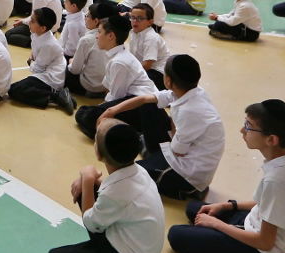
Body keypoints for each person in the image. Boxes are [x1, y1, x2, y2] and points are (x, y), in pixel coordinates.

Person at [167, 99, 285, 253]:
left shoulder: (279, 180)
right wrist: (227, 206)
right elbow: (263, 202)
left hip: (268, 251)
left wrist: (218, 225)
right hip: (261, 223)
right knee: (195, 209)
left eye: (249, 126)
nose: (242, 130)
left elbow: (265, 242)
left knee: (176, 236)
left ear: (271, 139)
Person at [47, 122, 164, 253]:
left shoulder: (115, 193)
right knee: (90, 191)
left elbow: (90, 221)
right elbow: (116, 199)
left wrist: (86, 179)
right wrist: (89, 183)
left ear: (99, 154)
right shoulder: (139, 171)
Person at [93, 53, 223, 201]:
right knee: (148, 105)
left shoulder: (190, 112)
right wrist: (111, 111)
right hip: (182, 149)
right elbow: (144, 98)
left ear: (168, 80)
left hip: (187, 172)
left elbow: (178, 151)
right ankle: (153, 155)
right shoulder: (191, 92)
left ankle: (187, 189)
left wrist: (173, 126)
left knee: (129, 172)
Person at [7, 7, 73, 113]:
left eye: (32, 21)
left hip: (52, 77)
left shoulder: (48, 44)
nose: (29, 22)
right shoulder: (36, 34)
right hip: (44, 72)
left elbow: (37, 69)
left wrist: (31, 61)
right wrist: (32, 59)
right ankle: (57, 96)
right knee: (14, 89)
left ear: (43, 28)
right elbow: (34, 53)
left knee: (14, 90)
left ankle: (56, 96)